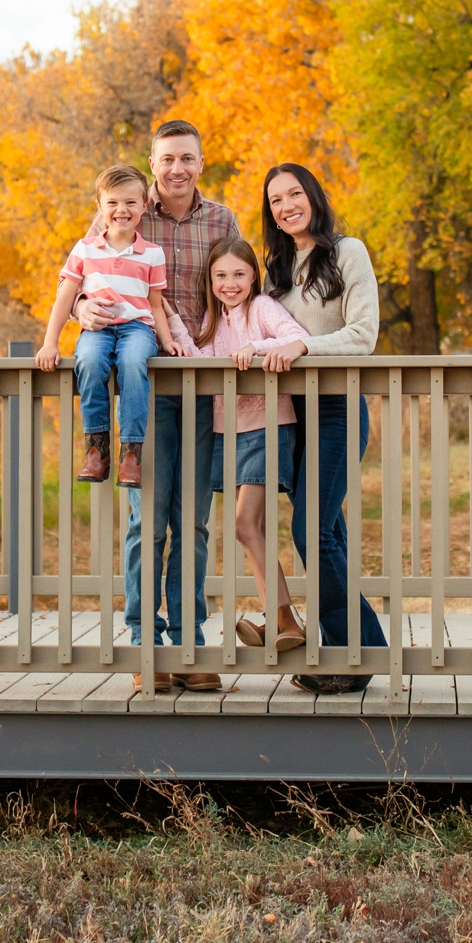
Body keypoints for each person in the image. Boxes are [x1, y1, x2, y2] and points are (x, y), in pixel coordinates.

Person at [71, 120, 239, 686]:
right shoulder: (125, 211)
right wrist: (79, 315)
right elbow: (86, 277)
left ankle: (189, 645)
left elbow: (240, 286)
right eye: (167, 159)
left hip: (202, 380)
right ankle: (146, 645)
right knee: (148, 521)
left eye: (187, 158)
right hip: (146, 383)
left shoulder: (221, 219)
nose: (177, 169)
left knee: (192, 521)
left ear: (200, 162)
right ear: (153, 161)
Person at [252, 161, 387, 694]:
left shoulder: (347, 252)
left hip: (336, 408)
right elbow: (260, 332)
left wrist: (303, 345)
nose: (287, 206)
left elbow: (364, 334)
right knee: (326, 530)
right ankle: (342, 650)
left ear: (313, 194)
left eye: (294, 194)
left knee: (309, 528)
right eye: (275, 201)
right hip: (292, 415)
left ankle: (363, 648)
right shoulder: (276, 270)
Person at [185, 235, 310, 657]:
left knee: (244, 524)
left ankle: (285, 618)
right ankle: (278, 619)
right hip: (228, 432)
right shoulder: (211, 321)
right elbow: (194, 356)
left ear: (253, 276)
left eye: (239, 274)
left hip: (267, 425)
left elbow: (296, 336)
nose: (230, 283)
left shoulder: (262, 309)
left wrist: (255, 348)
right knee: (248, 528)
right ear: (210, 279)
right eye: (221, 275)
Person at [35, 164, 185, 483]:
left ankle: (130, 454)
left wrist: (168, 339)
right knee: (88, 362)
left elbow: (156, 305)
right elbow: (65, 297)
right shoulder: (85, 249)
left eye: (131, 202)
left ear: (144, 205)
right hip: (97, 329)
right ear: (99, 207)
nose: (121, 210)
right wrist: (50, 342)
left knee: (133, 363)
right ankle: (96, 451)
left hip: (137, 329)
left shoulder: (152, 254)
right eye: (113, 202)